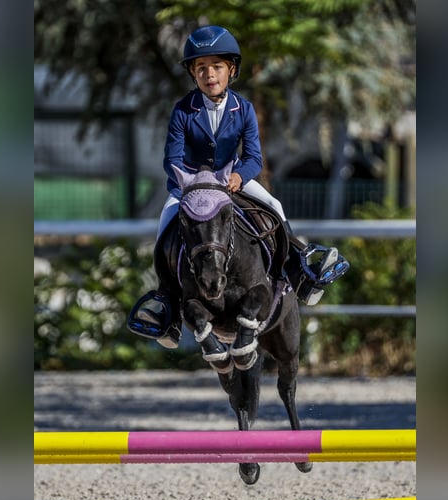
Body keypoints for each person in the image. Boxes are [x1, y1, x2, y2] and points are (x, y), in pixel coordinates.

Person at [128, 25, 348, 348]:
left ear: (231, 69)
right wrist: (192, 183)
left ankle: (299, 270)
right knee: (165, 227)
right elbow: (171, 159)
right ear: (193, 73)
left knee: (275, 207)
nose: (209, 74)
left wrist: (239, 177)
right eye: (201, 68)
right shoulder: (182, 111)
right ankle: (168, 308)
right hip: (191, 189)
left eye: (216, 67)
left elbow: (254, 158)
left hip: (232, 182)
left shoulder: (242, 108)